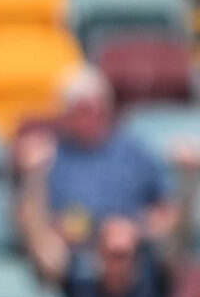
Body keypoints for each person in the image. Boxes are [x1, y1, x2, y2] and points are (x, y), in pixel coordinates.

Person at [17, 117, 200, 297]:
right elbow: (43, 249)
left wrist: (188, 181)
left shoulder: (155, 274)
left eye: (125, 254)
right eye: (112, 254)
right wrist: (34, 177)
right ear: (99, 254)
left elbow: (178, 240)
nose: (119, 263)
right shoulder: (82, 278)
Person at [17, 66, 176, 254]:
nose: (87, 119)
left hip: (130, 252)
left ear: (106, 109)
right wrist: (57, 229)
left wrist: (137, 229)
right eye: (79, 111)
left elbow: (166, 209)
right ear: (66, 114)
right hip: (70, 256)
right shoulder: (49, 155)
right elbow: (27, 220)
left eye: (92, 109)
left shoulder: (133, 151)